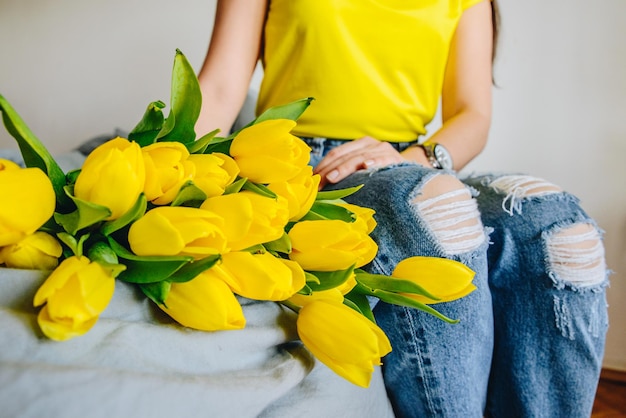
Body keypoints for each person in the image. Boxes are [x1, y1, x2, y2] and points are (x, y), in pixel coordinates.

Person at [195, 1, 609, 417]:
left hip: (413, 162)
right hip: (309, 169)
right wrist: (175, 177)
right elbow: (219, 89)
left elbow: (472, 114)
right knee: (437, 212)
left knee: (556, 229)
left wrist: (412, 160)